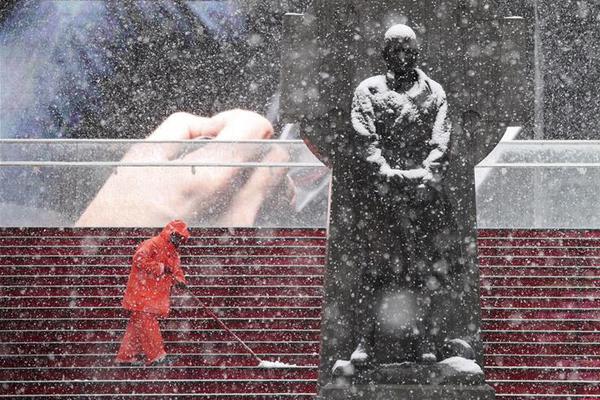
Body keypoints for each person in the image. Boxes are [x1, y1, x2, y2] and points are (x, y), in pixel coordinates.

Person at [341, 24, 468, 368]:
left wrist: (425, 174)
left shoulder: (434, 92)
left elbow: (442, 141)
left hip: (424, 198)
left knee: (424, 270)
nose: (401, 56)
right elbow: (365, 140)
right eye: (395, 49)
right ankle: (365, 338)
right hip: (382, 198)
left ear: (416, 53)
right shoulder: (367, 90)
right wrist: (387, 174)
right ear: (385, 54)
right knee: (375, 270)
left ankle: (426, 336)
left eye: (407, 50)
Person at [116, 219, 190, 365]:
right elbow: (139, 258)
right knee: (148, 324)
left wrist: (180, 281)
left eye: (181, 238)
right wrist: (160, 267)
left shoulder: (173, 254)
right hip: (143, 295)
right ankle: (157, 356)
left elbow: (176, 271)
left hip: (151, 296)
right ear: (169, 233)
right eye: (177, 236)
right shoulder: (153, 244)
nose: (179, 240)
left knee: (137, 326)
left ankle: (126, 357)